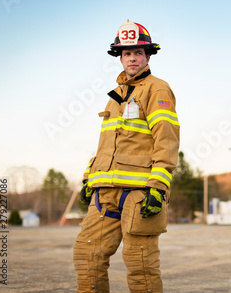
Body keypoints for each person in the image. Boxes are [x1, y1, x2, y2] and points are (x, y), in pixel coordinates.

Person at [73, 20, 180, 293]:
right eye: (126, 53)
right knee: (87, 256)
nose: (132, 58)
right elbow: (106, 143)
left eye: (138, 52)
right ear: (119, 58)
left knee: (140, 265)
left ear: (147, 55)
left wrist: (158, 185)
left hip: (139, 194)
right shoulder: (116, 96)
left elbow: (165, 138)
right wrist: (89, 177)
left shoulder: (157, 89)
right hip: (104, 192)